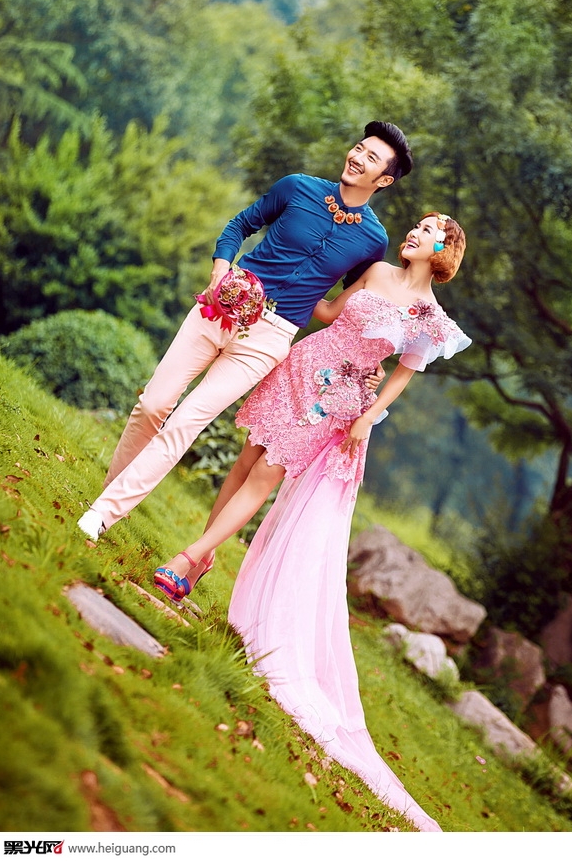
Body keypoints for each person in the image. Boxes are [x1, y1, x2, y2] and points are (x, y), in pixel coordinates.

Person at [154, 212, 471, 832]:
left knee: (266, 475)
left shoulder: (432, 320)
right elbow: (327, 314)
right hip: (303, 363)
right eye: (418, 222)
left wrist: (368, 417)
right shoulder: (374, 270)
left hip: (339, 399)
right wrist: (296, 282)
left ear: (445, 249)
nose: (415, 231)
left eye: (430, 229)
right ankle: (205, 558)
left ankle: (188, 557)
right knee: (245, 460)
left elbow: (402, 375)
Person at [77, 121, 413, 545]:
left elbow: (351, 304)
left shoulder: (372, 241)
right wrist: (220, 272)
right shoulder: (297, 186)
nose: (357, 157)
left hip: (269, 339)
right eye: (359, 148)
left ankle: (102, 514)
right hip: (222, 305)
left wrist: (368, 362)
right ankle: (110, 492)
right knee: (153, 405)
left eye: (371, 157)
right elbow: (239, 225)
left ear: (384, 180)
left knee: (187, 421)